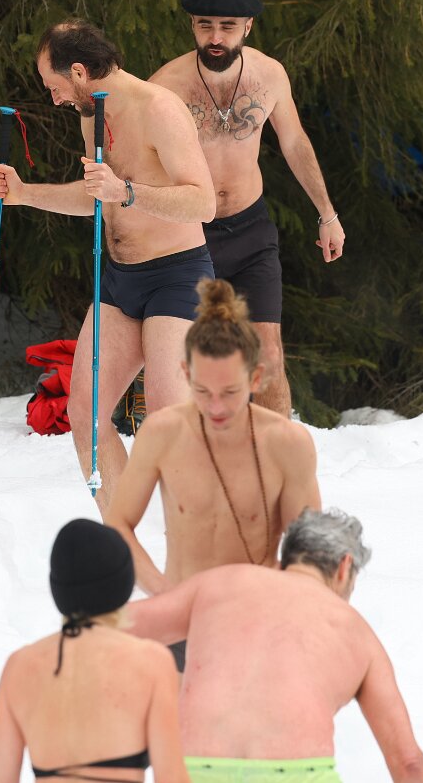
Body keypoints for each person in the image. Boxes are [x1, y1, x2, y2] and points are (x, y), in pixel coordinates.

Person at [0, 20, 216, 511]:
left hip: (176, 277)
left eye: (53, 86)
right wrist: (24, 194)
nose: (53, 99)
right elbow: (97, 197)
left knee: (167, 420)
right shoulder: (92, 112)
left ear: (78, 71)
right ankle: (121, 537)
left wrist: (126, 191)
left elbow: (203, 203)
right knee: (85, 414)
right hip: (120, 280)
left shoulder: (159, 109)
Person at [148, 0, 343, 418]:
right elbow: (141, 161)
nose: (215, 38)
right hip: (188, 235)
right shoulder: (165, 86)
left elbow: (294, 142)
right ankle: (192, 448)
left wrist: (327, 214)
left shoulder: (269, 75)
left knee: (268, 353)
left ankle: (274, 450)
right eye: (205, 25)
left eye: (227, 27)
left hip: (251, 230)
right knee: (185, 359)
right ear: (192, 25)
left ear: (248, 27)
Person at [124, 509, 423, 783]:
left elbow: (117, 624)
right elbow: (409, 763)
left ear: (287, 559)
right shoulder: (358, 633)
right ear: (344, 567)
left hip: (194, 771)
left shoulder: (220, 584)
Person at [106, 278, 320, 668]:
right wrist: (162, 592)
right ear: (186, 374)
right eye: (203, 392)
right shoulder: (162, 433)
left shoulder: (288, 444)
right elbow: (119, 524)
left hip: (257, 620)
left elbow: (310, 547)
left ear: (255, 379)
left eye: (230, 392)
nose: (216, 407)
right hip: (182, 619)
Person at [0, 518, 188, 783]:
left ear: (58, 588)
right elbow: (172, 777)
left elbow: (0, 778)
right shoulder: (151, 662)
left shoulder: (20, 666)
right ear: (123, 584)